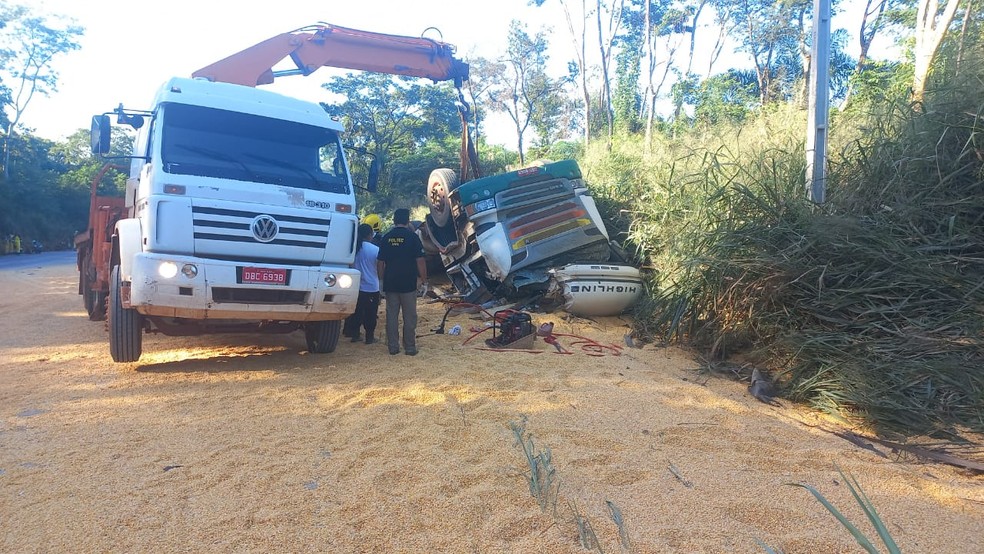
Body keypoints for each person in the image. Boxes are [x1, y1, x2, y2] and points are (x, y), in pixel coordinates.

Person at [377, 208, 427, 356]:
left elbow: (380, 262)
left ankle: (393, 347)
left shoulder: (386, 237)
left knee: (391, 316)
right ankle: (410, 347)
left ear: (394, 220)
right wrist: (424, 281)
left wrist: (380, 280)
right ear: (408, 220)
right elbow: (420, 261)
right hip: (408, 283)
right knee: (409, 316)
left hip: (391, 282)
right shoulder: (413, 237)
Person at [347, 223, 381, 344]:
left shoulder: (353, 250)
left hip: (356, 287)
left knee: (357, 311)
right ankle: (369, 337)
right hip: (372, 286)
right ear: (370, 235)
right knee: (371, 313)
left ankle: (355, 335)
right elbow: (379, 267)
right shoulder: (375, 250)